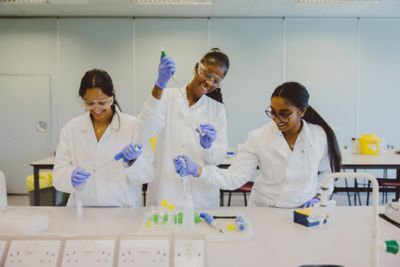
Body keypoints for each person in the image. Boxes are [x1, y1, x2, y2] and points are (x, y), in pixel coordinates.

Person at [174, 81, 342, 208]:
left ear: (302, 111)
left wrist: (318, 197)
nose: (277, 120)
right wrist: (198, 170)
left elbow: (326, 173)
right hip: (266, 209)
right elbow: (235, 177)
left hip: (303, 211)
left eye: (284, 114)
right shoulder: (258, 137)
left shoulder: (318, 135)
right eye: (273, 113)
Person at [138, 48, 230, 208]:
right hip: (165, 191)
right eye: (207, 74)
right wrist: (159, 85)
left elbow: (217, 158)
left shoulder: (217, 109)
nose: (209, 82)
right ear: (196, 68)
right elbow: (144, 129)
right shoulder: (166, 96)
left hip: (200, 195)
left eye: (216, 81)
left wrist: (208, 146)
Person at [53, 69, 153, 207]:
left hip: (123, 212)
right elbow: (58, 175)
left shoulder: (133, 126)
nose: (97, 109)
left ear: (113, 95)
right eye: (89, 103)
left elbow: (147, 175)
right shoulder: (71, 129)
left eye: (102, 102)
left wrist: (134, 162)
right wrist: (70, 176)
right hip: (83, 211)